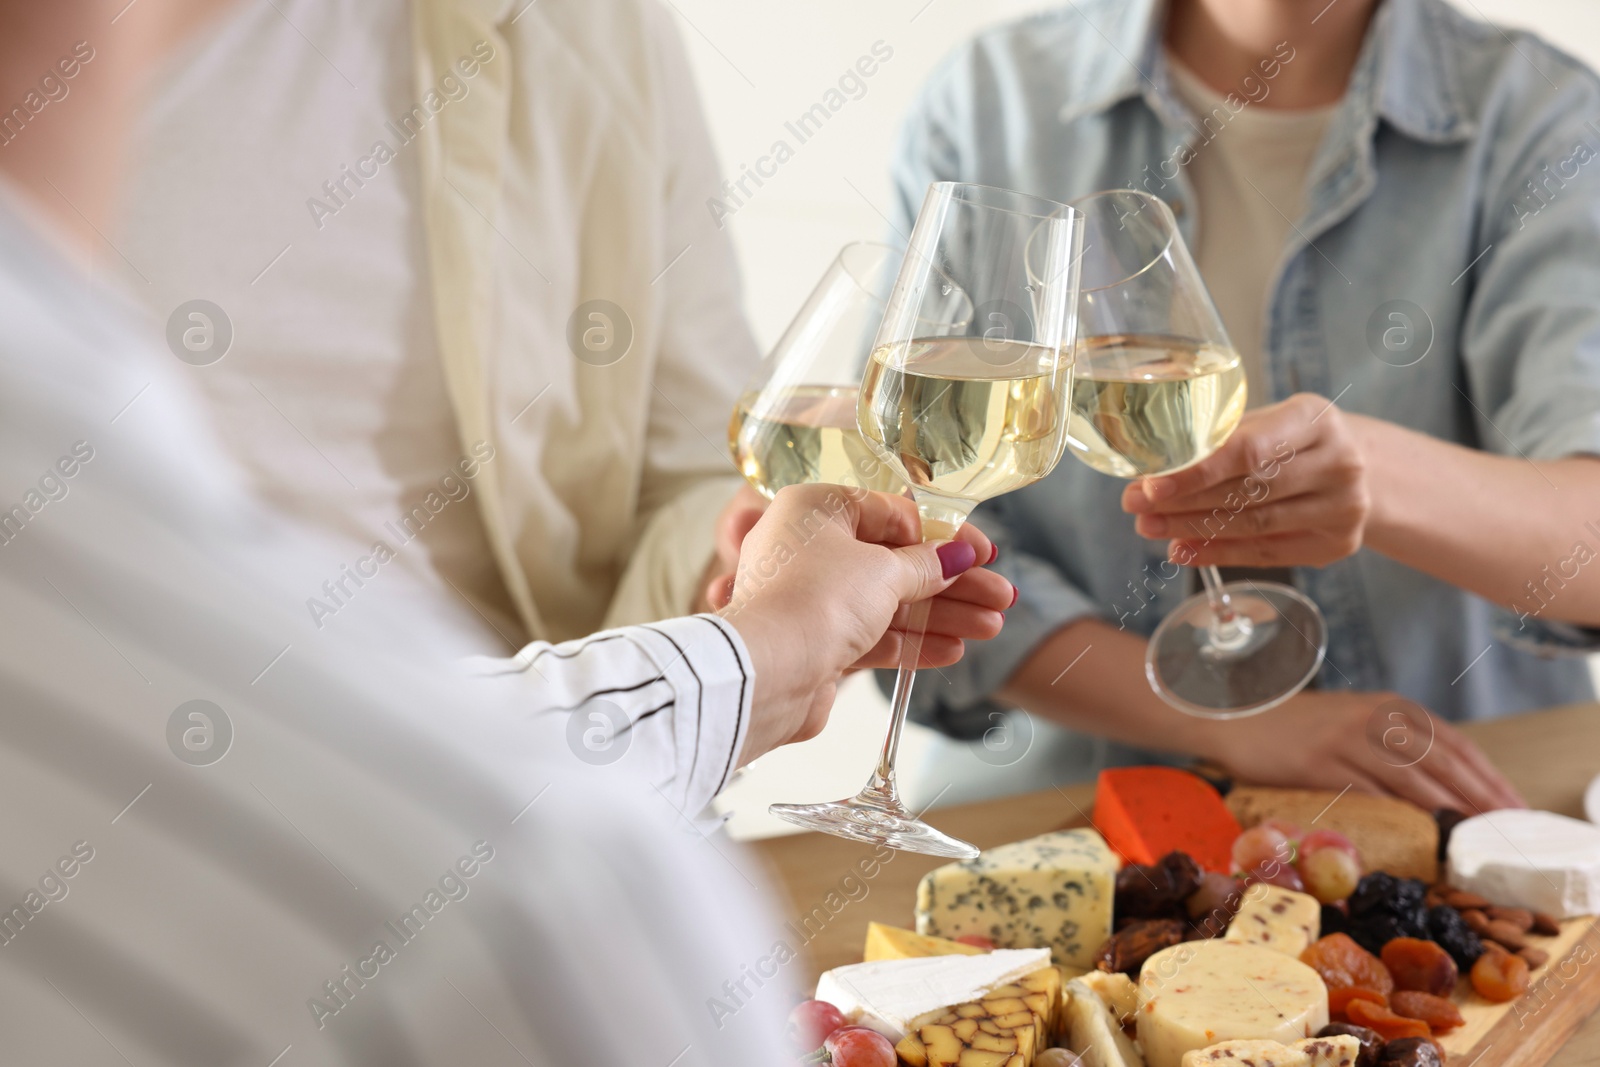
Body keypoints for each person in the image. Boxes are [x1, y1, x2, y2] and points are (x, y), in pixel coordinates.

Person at [0, 2, 1006, 1060]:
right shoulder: (532, 903)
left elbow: (686, 464)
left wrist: (734, 561)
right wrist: (756, 657)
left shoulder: (582, 30)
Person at [885, 0, 1600, 812]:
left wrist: (1377, 479)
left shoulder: (1544, 117)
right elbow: (921, 500)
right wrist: (1232, 724)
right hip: (1060, 811)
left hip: (1450, 803)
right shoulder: (992, 102)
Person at [116, 0, 767, 660]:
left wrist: (744, 563)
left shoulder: (592, 26)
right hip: (127, 717)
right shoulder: (57, 58)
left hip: (498, 735)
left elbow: (691, 477)